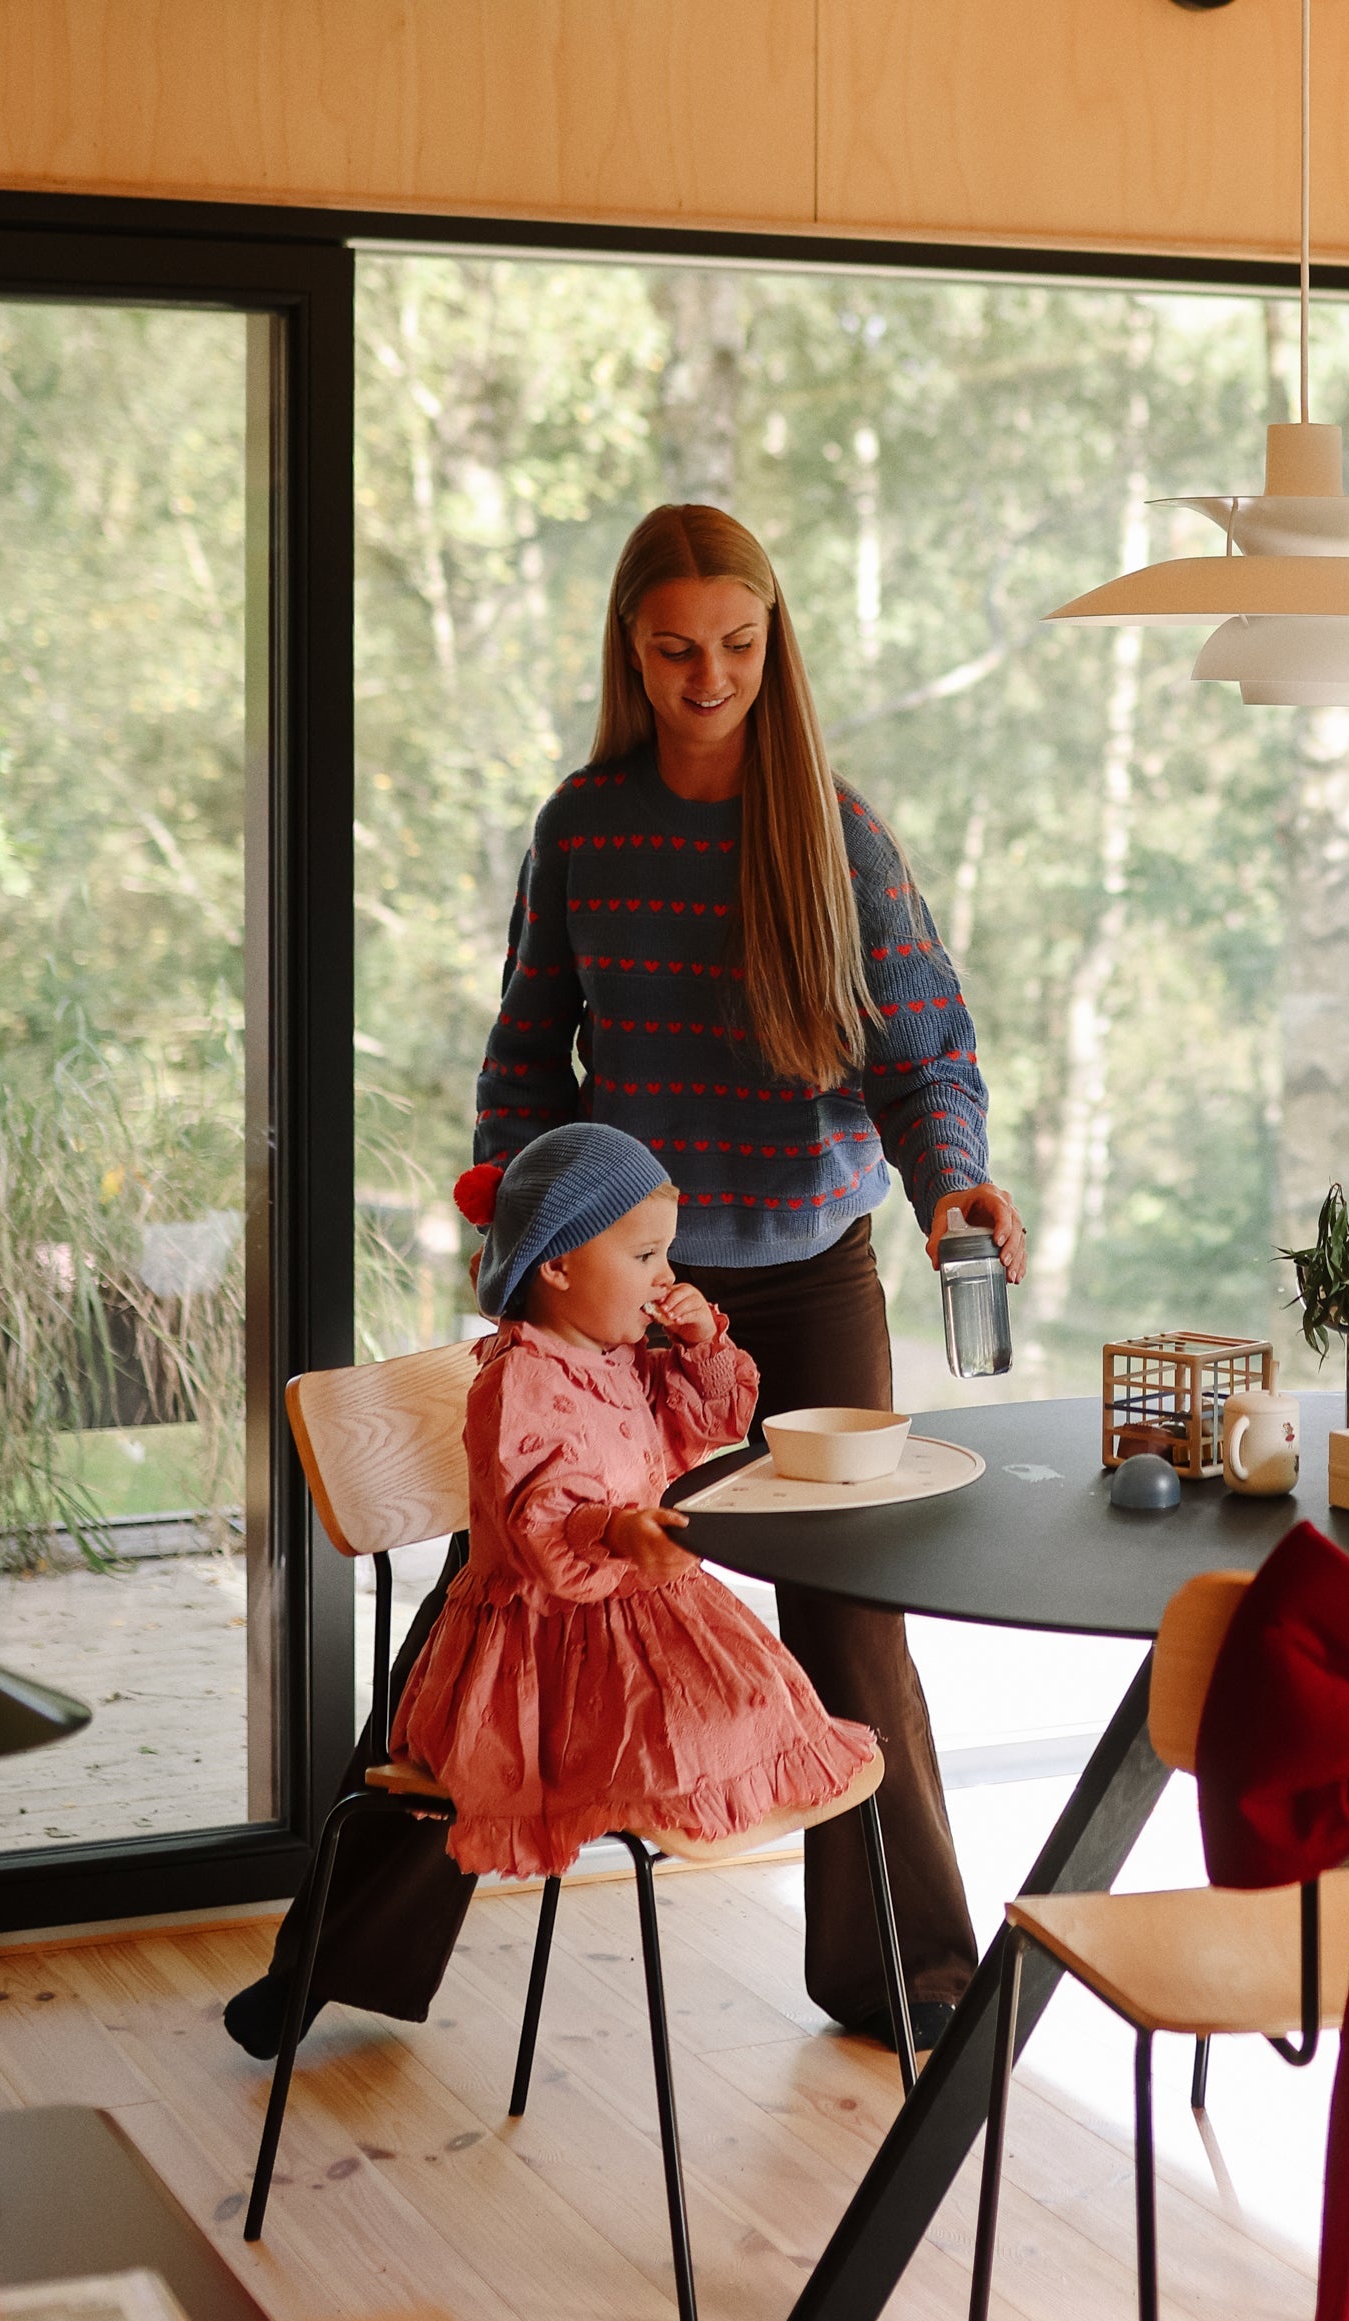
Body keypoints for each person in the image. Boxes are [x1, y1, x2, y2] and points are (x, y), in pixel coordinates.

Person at [226, 502, 1013, 2060]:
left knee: (852, 1627)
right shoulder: (585, 827)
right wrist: (523, 1255)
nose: (706, 676)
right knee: (494, 1599)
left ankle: (909, 1976)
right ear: (629, 654)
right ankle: (327, 1964)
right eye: (673, 650)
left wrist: (953, 1187)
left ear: (774, 645)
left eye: (736, 645)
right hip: (614, 1303)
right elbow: (525, 1059)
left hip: (810, 1282)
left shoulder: (841, 836)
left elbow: (926, 1060)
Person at [392, 1124, 877, 1877]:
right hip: (552, 1647)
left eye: (665, 1254)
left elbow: (704, 1424)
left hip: (645, 1614)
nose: (665, 1277)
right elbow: (542, 1519)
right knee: (703, 1732)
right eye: (646, 1255)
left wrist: (698, 1345)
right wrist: (618, 1533)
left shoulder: (618, 1356)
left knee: (765, 1705)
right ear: (557, 1264)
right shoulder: (518, 1380)